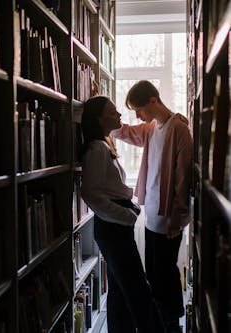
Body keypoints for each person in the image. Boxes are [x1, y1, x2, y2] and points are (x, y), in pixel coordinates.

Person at [111, 80, 193, 333]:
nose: (137, 115)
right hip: (151, 216)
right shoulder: (152, 127)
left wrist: (177, 220)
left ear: (153, 101)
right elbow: (127, 132)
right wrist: (106, 123)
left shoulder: (178, 129)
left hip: (169, 218)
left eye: (139, 109)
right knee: (154, 273)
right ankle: (160, 321)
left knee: (166, 274)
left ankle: (171, 323)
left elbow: (183, 178)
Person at [80, 95, 165, 333]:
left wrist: (130, 204)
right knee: (138, 289)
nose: (118, 115)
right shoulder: (97, 148)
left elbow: (109, 187)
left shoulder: (105, 144)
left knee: (120, 291)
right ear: (98, 119)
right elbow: (91, 193)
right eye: (112, 111)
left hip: (115, 227)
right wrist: (126, 215)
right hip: (113, 228)